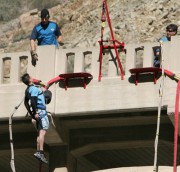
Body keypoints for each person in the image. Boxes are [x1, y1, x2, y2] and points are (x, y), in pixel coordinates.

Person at [21, 73, 49, 163]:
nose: (32, 77)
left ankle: (38, 152)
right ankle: (40, 152)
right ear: (29, 79)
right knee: (43, 132)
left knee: (40, 132)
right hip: (41, 112)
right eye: (31, 77)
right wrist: (35, 112)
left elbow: (26, 103)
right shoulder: (33, 89)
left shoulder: (28, 89)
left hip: (37, 113)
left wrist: (32, 113)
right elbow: (33, 101)